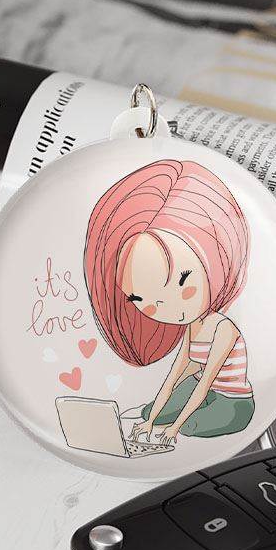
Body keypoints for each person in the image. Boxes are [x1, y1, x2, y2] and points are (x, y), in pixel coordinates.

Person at [84, 158, 254, 444]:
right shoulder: (191, 328)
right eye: (141, 300)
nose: (164, 307)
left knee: (187, 427)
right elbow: (173, 378)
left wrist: (173, 428)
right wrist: (150, 421)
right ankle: (150, 417)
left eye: (182, 282)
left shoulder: (224, 329)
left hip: (233, 401)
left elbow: (205, 384)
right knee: (153, 411)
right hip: (201, 388)